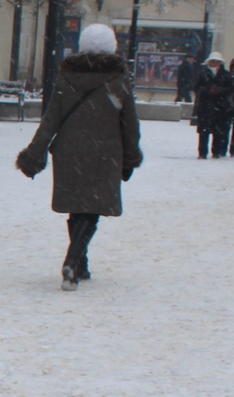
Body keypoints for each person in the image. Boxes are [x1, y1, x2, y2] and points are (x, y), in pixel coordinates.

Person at [15, 22, 142, 290]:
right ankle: (73, 261)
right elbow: (130, 124)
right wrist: (131, 156)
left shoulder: (66, 78)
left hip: (69, 151)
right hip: (105, 152)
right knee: (92, 209)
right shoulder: (119, 80)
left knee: (77, 206)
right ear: (112, 47)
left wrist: (34, 152)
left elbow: (51, 119)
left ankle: (80, 265)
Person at [191, 53, 233, 160]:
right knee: (204, 131)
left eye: (217, 61)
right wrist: (207, 90)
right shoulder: (203, 74)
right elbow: (197, 88)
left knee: (218, 131)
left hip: (221, 107)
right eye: (212, 61)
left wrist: (219, 90)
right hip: (205, 106)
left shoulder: (226, 75)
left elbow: (230, 89)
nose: (214, 63)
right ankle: (202, 152)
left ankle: (216, 151)